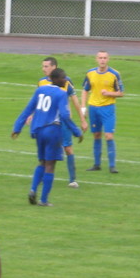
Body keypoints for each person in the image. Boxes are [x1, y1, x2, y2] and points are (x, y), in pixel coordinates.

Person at [12, 68, 83, 207]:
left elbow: (28, 109)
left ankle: (33, 189)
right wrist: (76, 131)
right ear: (55, 79)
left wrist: (17, 127)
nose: (65, 80)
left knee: (42, 162)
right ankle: (43, 200)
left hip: (38, 130)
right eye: (63, 78)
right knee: (50, 165)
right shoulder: (61, 94)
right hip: (52, 130)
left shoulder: (40, 90)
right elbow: (64, 115)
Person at [39, 57, 87, 188]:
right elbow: (39, 101)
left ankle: (72, 179)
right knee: (46, 149)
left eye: (46, 66)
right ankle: (43, 176)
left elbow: (75, 100)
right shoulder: (41, 82)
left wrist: (82, 119)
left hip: (64, 122)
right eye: (43, 66)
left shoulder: (65, 81)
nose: (44, 69)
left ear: (54, 67)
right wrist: (32, 116)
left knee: (68, 148)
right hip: (48, 123)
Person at [81, 50, 124, 173]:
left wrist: (109, 93)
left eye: (105, 58)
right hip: (93, 108)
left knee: (109, 135)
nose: (102, 60)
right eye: (100, 57)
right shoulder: (90, 73)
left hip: (108, 108)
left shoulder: (114, 74)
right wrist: (83, 107)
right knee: (96, 135)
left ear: (108, 59)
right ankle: (96, 164)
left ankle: (112, 166)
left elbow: (121, 92)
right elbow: (85, 90)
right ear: (96, 59)